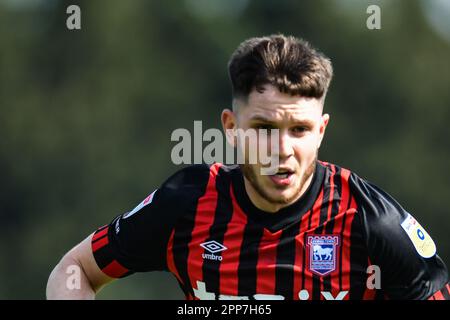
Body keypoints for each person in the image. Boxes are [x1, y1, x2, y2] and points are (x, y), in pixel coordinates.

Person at [46, 34, 449, 300]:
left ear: (322, 131)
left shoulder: (369, 222)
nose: (283, 149)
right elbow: (75, 269)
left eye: (300, 129)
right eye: (264, 129)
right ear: (231, 128)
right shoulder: (186, 203)